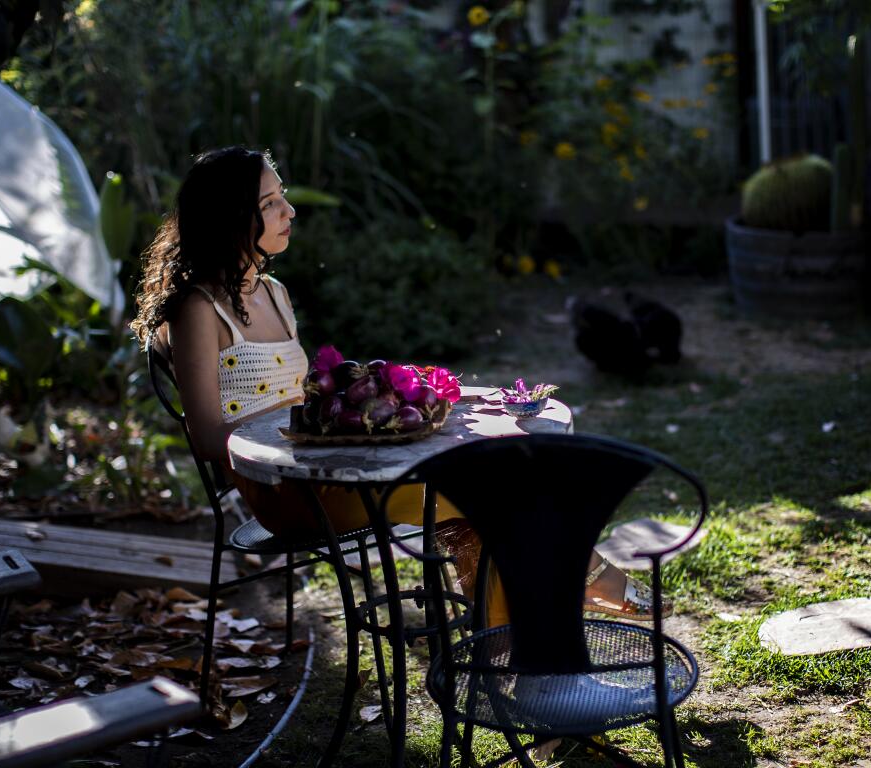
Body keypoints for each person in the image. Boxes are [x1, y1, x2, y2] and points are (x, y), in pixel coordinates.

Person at [130, 146, 661, 624]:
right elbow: (206, 438)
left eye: (282, 197)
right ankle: (567, 596)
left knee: (486, 488)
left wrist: (397, 401)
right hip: (281, 494)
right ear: (230, 216)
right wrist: (300, 447)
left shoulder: (274, 293)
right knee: (484, 491)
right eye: (270, 203)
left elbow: (306, 400)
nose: (289, 211)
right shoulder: (198, 310)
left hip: (332, 473)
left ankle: (507, 655)